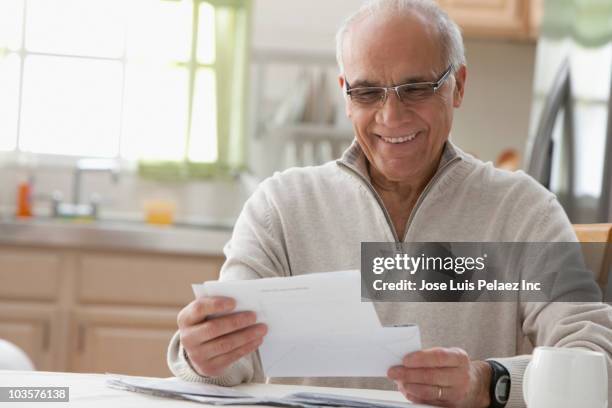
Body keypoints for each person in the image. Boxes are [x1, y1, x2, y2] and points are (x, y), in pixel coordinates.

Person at [168, 1, 612, 407]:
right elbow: (229, 367)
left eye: (416, 88)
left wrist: (488, 383)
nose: (390, 116)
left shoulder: (522, 211)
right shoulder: (281, 207)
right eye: (367, 92)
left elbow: (594, 359)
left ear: (457, 85)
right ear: (345, 94)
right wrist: (204, 355)